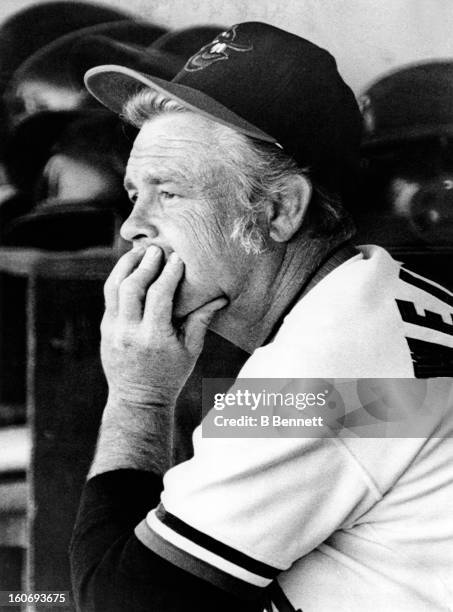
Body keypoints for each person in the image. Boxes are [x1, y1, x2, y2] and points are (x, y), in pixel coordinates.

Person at [70, 22, 453, 611]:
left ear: (278, 210)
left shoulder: (324, 377)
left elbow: (120, 603)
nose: (132, 226)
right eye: (132, 194)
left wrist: (138, 396)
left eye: (168, 194)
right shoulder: (376, 297)